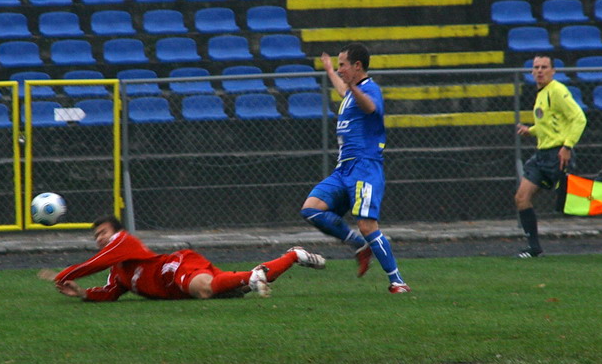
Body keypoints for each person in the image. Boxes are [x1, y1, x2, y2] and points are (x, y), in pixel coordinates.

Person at [299, 43, 411, 294]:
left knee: (367, 225)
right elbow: (342, 90)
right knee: (311, 209)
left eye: (342, 65)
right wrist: (329, 70)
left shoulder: (370, 89)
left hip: (364, 167)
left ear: (357, 66)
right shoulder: (351, 91)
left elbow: (371, 107)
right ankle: (360, 247)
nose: (340, 70)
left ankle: (397, 281)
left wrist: (351, 86)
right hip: (344, 169)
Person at [39, 216, 326, 301]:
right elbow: (111, 292)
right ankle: (293, 255)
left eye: (103, 233)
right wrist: (82, 294)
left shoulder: (123, 243)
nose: (100, 239)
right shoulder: (118, 271)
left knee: (204, 289)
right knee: (233, 286)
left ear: (117, 233)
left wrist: (64, 275)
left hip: (175, 268)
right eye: (96, 237)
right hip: (176, 285)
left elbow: (94, 263)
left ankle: (253, 278)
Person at [514, 56, 587, 258]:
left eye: (544, 67)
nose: (539, 71)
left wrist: (567, 146)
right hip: (542, 155)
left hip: (558, 154)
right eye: (536, 67)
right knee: (521, 198)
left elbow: (579, 118)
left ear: (553, 71)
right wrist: (532, 130)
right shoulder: (541, 93)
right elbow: (550, 124)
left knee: (574, 203)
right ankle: (534, 248)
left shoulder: (557, 91)